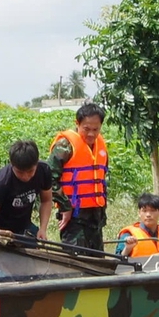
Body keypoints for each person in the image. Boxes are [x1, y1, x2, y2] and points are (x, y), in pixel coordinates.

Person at [48, 102, 109, 252]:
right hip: (74, 218)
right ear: (77, 123)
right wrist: (65, 207)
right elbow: (49, 179)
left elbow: (101, 178)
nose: (91, 134)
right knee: (75, 261)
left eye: (96, 129)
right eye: (86, 129)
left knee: (98, 263)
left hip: (96, 217)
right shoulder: (64, 146)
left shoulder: (101, 145)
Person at [0, 139, 55, 239]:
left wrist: (43, 229)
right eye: (20, 172)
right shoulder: (1, 182)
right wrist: (2, 239)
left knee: (37, 246)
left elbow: (46, 200)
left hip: (25, 226)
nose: (25, 177)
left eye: (30, 171)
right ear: (12, 164)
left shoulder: (44, 171)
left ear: (36, 163)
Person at [115, 191, 159, 259]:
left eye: (152, 210)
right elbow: (117, 261)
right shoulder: (128, 235)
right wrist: (127, 248)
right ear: (139, 213)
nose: (148, 215)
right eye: (144, 211)